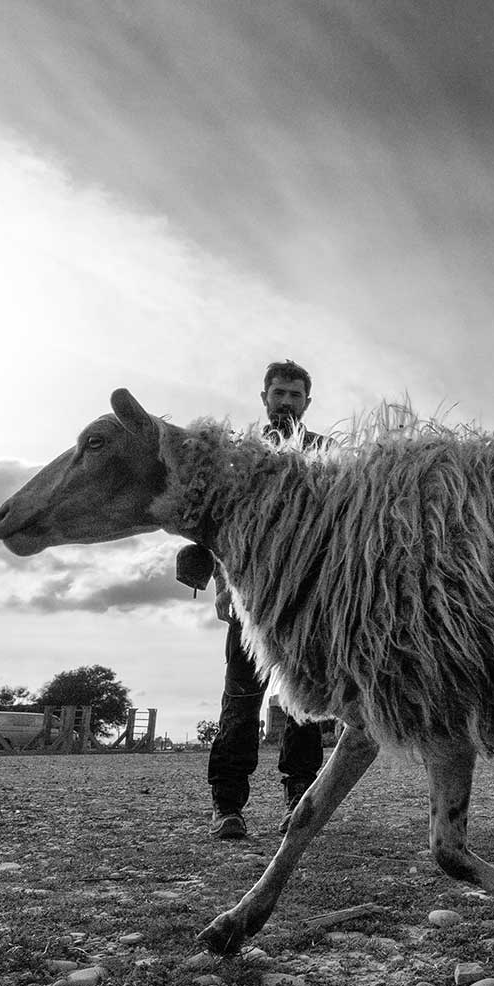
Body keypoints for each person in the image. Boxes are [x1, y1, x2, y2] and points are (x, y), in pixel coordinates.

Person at [180, 360, 328, 840]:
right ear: (264, 398)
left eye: (295, 395)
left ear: (307, 402)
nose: (286, 402)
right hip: (251, 598)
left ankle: (301, 802)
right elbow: (216, 522)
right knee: (241, 702)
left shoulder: (326, 454)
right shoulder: (240, 456)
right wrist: (223, 583)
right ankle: (227, 805)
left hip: (308, 601)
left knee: (306, 706)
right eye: (278, 393)